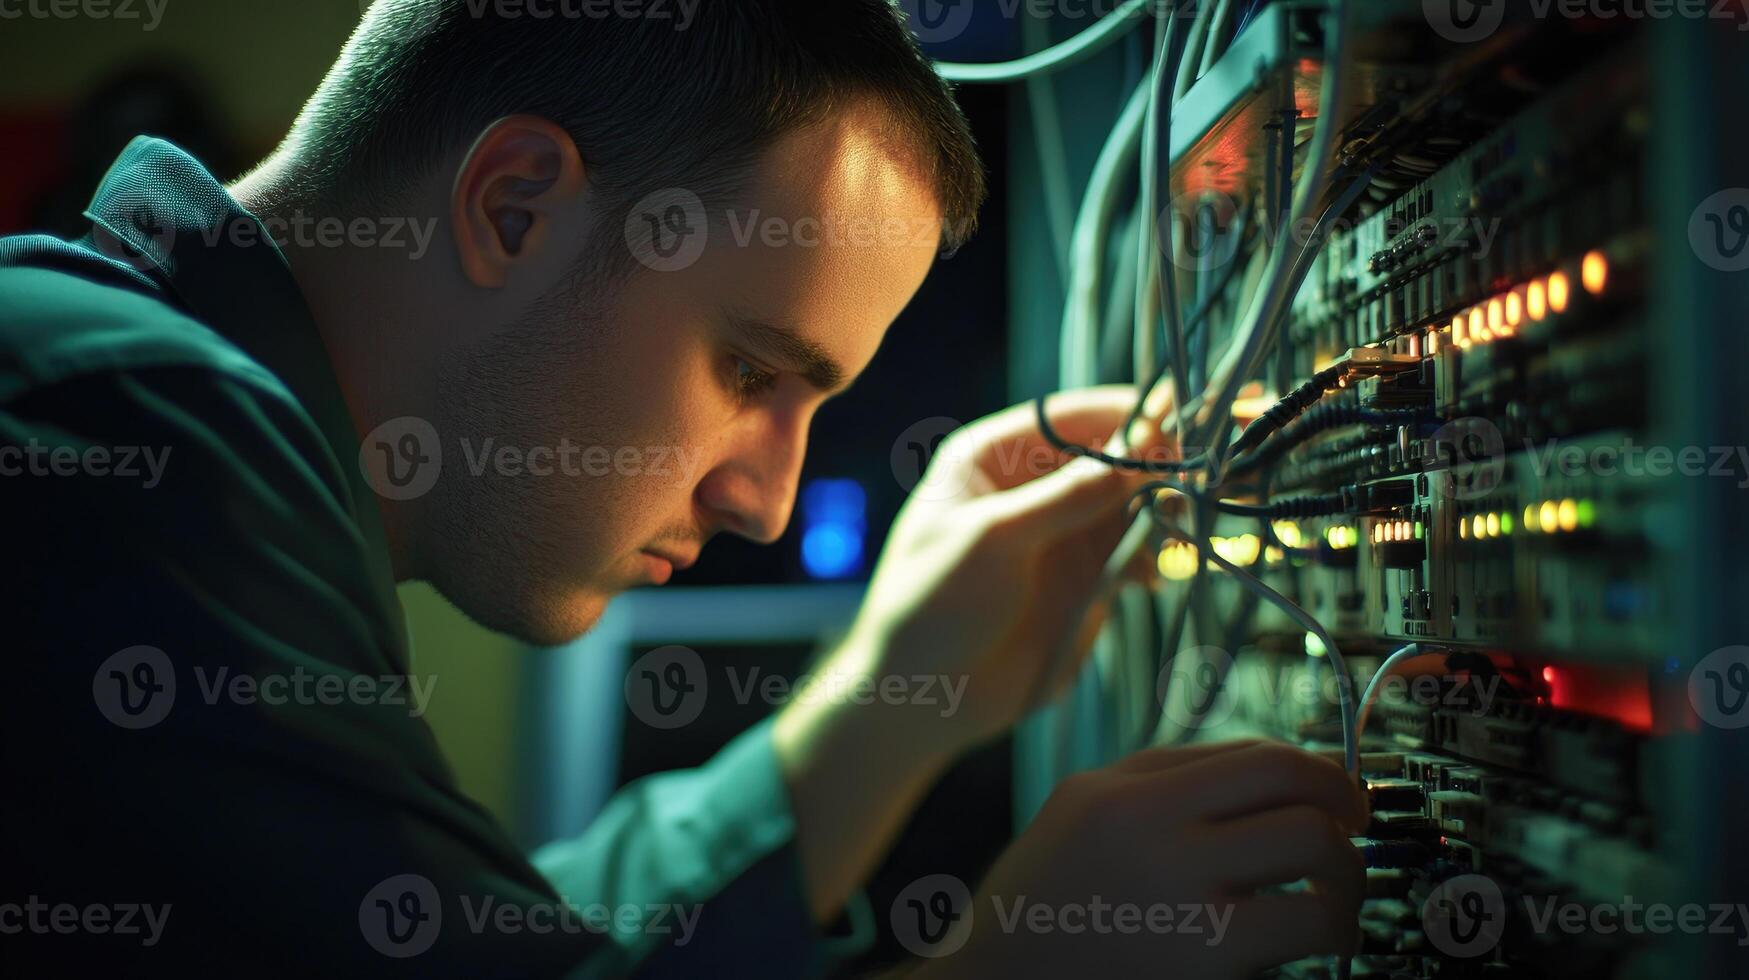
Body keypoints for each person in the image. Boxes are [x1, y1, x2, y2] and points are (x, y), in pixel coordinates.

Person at [0, 1, 1366, 975]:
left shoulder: (147, 412)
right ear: (515, 207)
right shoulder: (110, 422)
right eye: (749, 368)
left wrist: (904, 688)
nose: (766, 499)